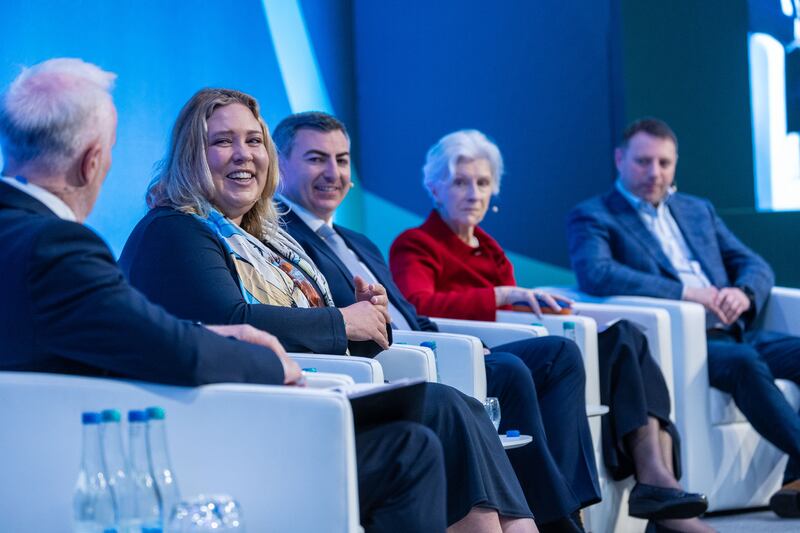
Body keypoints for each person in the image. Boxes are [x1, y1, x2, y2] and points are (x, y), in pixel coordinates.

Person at [0, 58, 448, 533]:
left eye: (254, 140)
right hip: (106, 466)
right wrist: (270, 361)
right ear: (92, 160)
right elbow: (167, 349)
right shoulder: (57, 245)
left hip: (42, 459)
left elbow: (134, 330)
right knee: (408, 450)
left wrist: (213, 333)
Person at [118, 88, 537, 533]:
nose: (243, 155)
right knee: (439, 408)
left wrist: (364, 315)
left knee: (456, 406)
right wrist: (342, 321)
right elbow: (233, 320)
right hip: (237, 421)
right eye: (222, 142)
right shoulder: (175, 229)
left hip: (303, 394)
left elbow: (300, 317)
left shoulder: (266, 238)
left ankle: (514, 526)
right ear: (191, 154)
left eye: (254, 141)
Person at [274, 111, 598, 533]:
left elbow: (410, 311)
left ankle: (564, 505)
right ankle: (556, 519)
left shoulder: (358, 241)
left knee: (559, 352)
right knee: (512, 371)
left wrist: (452, 341)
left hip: (430, 346)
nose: (333, 173)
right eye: (317, 159)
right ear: (280, 165)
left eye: (342, 160)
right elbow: (348, 319)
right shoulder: (285, 240)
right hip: (392, 363)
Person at [390, 129, 712, 533]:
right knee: (562, 354)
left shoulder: (488, 247)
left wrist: (555, 309)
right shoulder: (415, 243)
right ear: (435, 189)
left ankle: (653, 477)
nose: (474, 193)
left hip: (509, 340)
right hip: (469, 350)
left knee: (626, 335)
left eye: (483, 183)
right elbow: (418, 305)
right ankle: (611, 496)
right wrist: (503, 294)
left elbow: (512, 309)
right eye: (460, 182)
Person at [566, 116, 800, 519]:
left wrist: (741, 293)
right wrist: (686, 293)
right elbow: (597, 272)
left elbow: (754, 264)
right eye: (643, 162)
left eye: (664, 163)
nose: (654, 173)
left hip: (734, 329)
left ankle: (796, 479)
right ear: (620, 160)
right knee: (745, 364)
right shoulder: (595, 215)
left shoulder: (696, 210)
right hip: (686, 342)